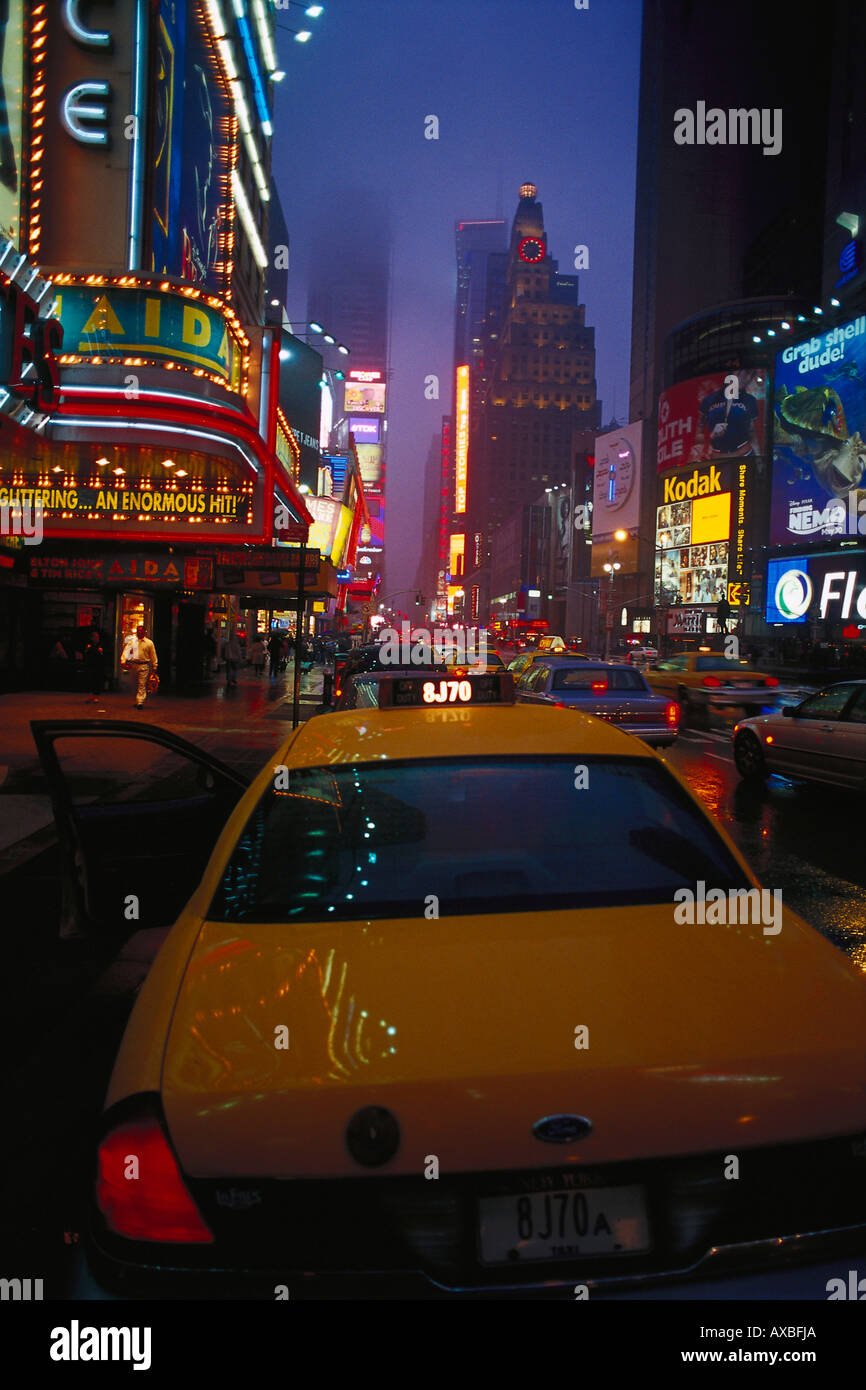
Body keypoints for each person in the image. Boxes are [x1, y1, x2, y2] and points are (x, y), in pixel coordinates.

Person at [121, 624, 158, 708]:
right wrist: (123, 661)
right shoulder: (132, 642)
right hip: (134, 665)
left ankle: (140, 702)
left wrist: (155, 666)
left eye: (141, 631)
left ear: (144, 632)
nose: (139, 632)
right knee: (134, 684)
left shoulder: (149, 643)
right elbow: (126, 651)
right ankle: (137, 700)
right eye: (138, 631)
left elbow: (153, 655)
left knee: (142, 683)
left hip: (144, 665)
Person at [83, 629, 106, 702]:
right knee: (90, 680)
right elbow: (86, 652)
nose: (97, 638)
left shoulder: (101, 644)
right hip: (90, 664)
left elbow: (102, 653)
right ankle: (90, 696)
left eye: (97, 637)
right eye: (95, 637)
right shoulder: (88, 644)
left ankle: (96, 696)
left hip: (98, 665)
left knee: (97, 680)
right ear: (91, 638)